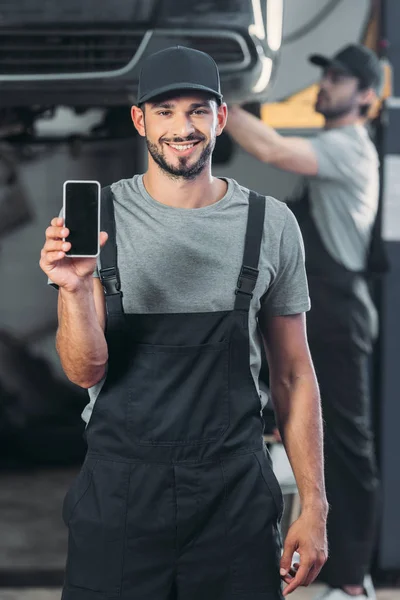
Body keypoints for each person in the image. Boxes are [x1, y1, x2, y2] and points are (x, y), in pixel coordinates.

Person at [40, 46, 328, 600]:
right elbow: (84, 370)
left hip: (233, 499)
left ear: (221, 118)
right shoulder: (97, 221)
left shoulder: (270, 225)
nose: (183, 127)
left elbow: (295, 374)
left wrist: (314, 507)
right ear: (139, 119)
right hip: (121, 497)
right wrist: (74, 288)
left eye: (198, 110)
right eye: (166, 110)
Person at [225, 44, 384, 600]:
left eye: (340, 79)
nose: (327, 84)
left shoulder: (347, 147)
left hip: (340, 314)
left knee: (347, 444)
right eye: (327, 76)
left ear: (366, 95)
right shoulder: (334, 147)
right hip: (321, 312)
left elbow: (270, 148)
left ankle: (352, 580)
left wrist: (211, 99)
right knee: (303, 434)